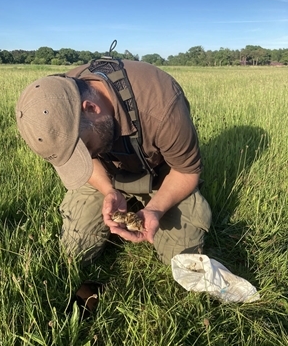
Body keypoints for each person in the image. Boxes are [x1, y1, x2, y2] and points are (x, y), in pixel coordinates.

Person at [16, 59, 212, 267]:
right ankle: (123, 200)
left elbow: (186, 172)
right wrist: (108, 190)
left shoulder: (162, 107)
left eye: (87, 147)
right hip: (109, 174)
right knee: (76, 253)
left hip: (163, 177)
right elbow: (88, 161)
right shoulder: (59, 97)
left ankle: (147, 204)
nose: (89, 155)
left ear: (91, 107)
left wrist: (155, 209)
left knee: (182, 261)